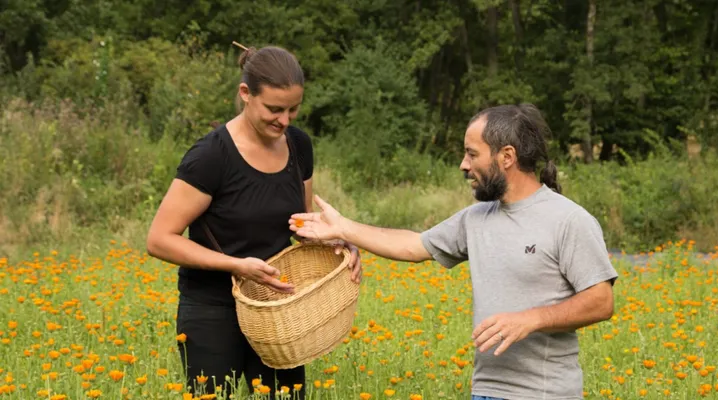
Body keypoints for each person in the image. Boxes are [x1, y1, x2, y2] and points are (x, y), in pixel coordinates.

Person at [288, 104, 618, 400]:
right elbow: (412, 246)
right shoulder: (476, 219)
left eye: (472, 154)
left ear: (506, 156)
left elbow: (601, 301)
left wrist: (532, 319)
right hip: (486, 391)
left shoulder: (568, 220)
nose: (463, 165)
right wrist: (344, 227)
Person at [145, 44, 362, 398]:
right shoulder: (211, 157)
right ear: (245, 94)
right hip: (212, 311)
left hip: (279, 314)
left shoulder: (299, 147)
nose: (285, 120)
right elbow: (159, 239)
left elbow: (302, 227)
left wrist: (338, 244)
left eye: (293, 110)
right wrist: (236, 266)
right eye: (274, 109)